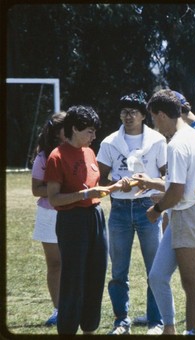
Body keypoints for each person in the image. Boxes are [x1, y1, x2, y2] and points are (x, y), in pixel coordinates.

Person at [146, 90, 195, 335]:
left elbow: (177, 191)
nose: (154, 125)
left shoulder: (177, 144)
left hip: (189, 215)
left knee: (192, 283)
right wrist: (163, 192)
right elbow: (183, 184)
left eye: (153, 118)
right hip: (190, 213)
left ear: (161, 115)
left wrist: (157, 208)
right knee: (157, 276)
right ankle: (170, 327)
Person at [96, 91, 166, 335]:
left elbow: (167, 174)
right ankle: (121, 321)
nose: (128, 116)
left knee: (155, 268)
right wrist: (116, 181)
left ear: (144, 115)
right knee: (118, 270)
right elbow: (100, 176)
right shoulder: (109, 142)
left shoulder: (157, 140)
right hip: (120, 209)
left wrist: (150, 183)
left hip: (148, 206)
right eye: (124, 111)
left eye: (133, 112)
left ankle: (156, 321)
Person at [44, 105, 110, 335]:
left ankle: (90, 328)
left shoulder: (90, 152)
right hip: (72, 220)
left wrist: (113, 187)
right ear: (74, 128)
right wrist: (83, 195)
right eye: (89, 131)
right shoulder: (57, 156)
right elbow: (54, 199)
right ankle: (68, 328)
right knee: (73, 278)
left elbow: (93, 187)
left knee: (97, 273)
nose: (94, 137)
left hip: (96, 217)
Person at [31, 111, 67, 326]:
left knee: (75, 263)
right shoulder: (43, 156)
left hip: (73, 212)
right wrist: (57, 191)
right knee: (55, 264)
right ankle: (58, 309)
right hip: (48, 214)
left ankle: (76, 306)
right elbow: (36, 189)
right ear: (57, 132)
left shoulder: (79, 152)